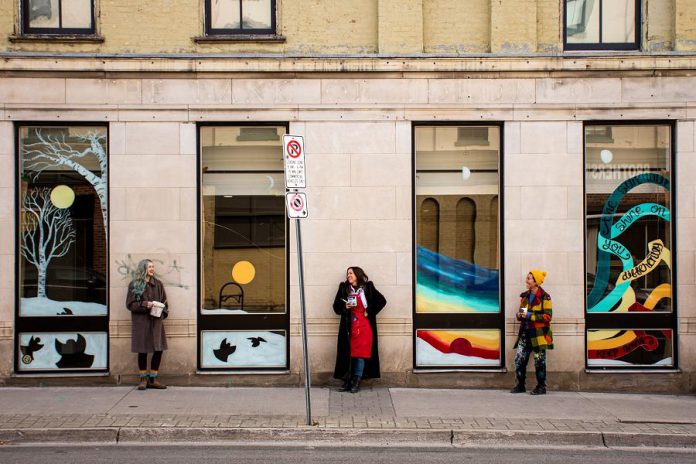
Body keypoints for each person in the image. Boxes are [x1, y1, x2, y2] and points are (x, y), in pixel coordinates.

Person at [332, 266, 387, 393]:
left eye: (351, 273)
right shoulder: (343, 288)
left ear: (357, 274)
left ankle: (356, 381)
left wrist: (370, 311)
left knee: (360, 354)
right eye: (347, 274)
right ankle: (348, 380)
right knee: (348, 353)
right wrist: (344, 305)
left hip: (364, 326)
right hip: (348, 327)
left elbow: (382, 301)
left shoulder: (368, 287)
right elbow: (335, 307)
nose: (348, 275)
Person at [126, 259, 168, 390]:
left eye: (153, 267)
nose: (152, 269)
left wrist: (161, 311)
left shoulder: (159, 284)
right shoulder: (134, 285)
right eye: (149, 266)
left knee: (158, 349)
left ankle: (153, 379)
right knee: (142, 350)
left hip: (156, 321)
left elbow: (165, 302)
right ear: (143, 268)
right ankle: (143, 379)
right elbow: (130, 304)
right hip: (141, 322)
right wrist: (146, 304)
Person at [511, 269, 553, 395]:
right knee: (519, 360)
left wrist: (529, 315)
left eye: (529, 278)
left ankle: (541, 387)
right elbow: (522, 313)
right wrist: (519, 315)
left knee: (539, 361)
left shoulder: (545, 297)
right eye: (527, 278)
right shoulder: (525, 296)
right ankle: (520, 385)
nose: (526, 281)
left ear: (536, 282)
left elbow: (547, 317)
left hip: (539, 334)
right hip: (525, 333)